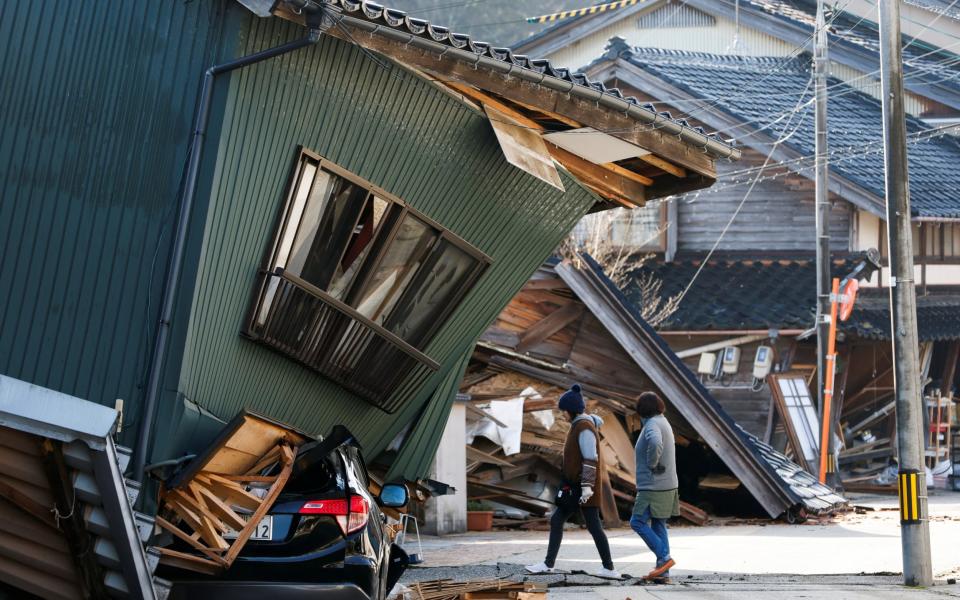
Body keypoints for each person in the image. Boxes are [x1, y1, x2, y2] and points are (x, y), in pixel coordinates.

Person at [526, 384, 620, 579]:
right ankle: (548, 563)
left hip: (584, 487)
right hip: (575, 486)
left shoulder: (584, 428)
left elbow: (590, 458)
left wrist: (586, 487)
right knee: (558, 519)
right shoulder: (579, 425)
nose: (562, 415)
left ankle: (609, 568)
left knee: (593, 526)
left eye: (563, 411)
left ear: (570, 410)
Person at [631, 391, 679, 580]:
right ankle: (663, 572)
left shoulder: (652, 424)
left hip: (653, 485)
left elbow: (655, 441)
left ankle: (665, 558)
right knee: (659, 524)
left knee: (637, 522)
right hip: (667, 483)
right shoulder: (663, 421)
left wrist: (652, 464)